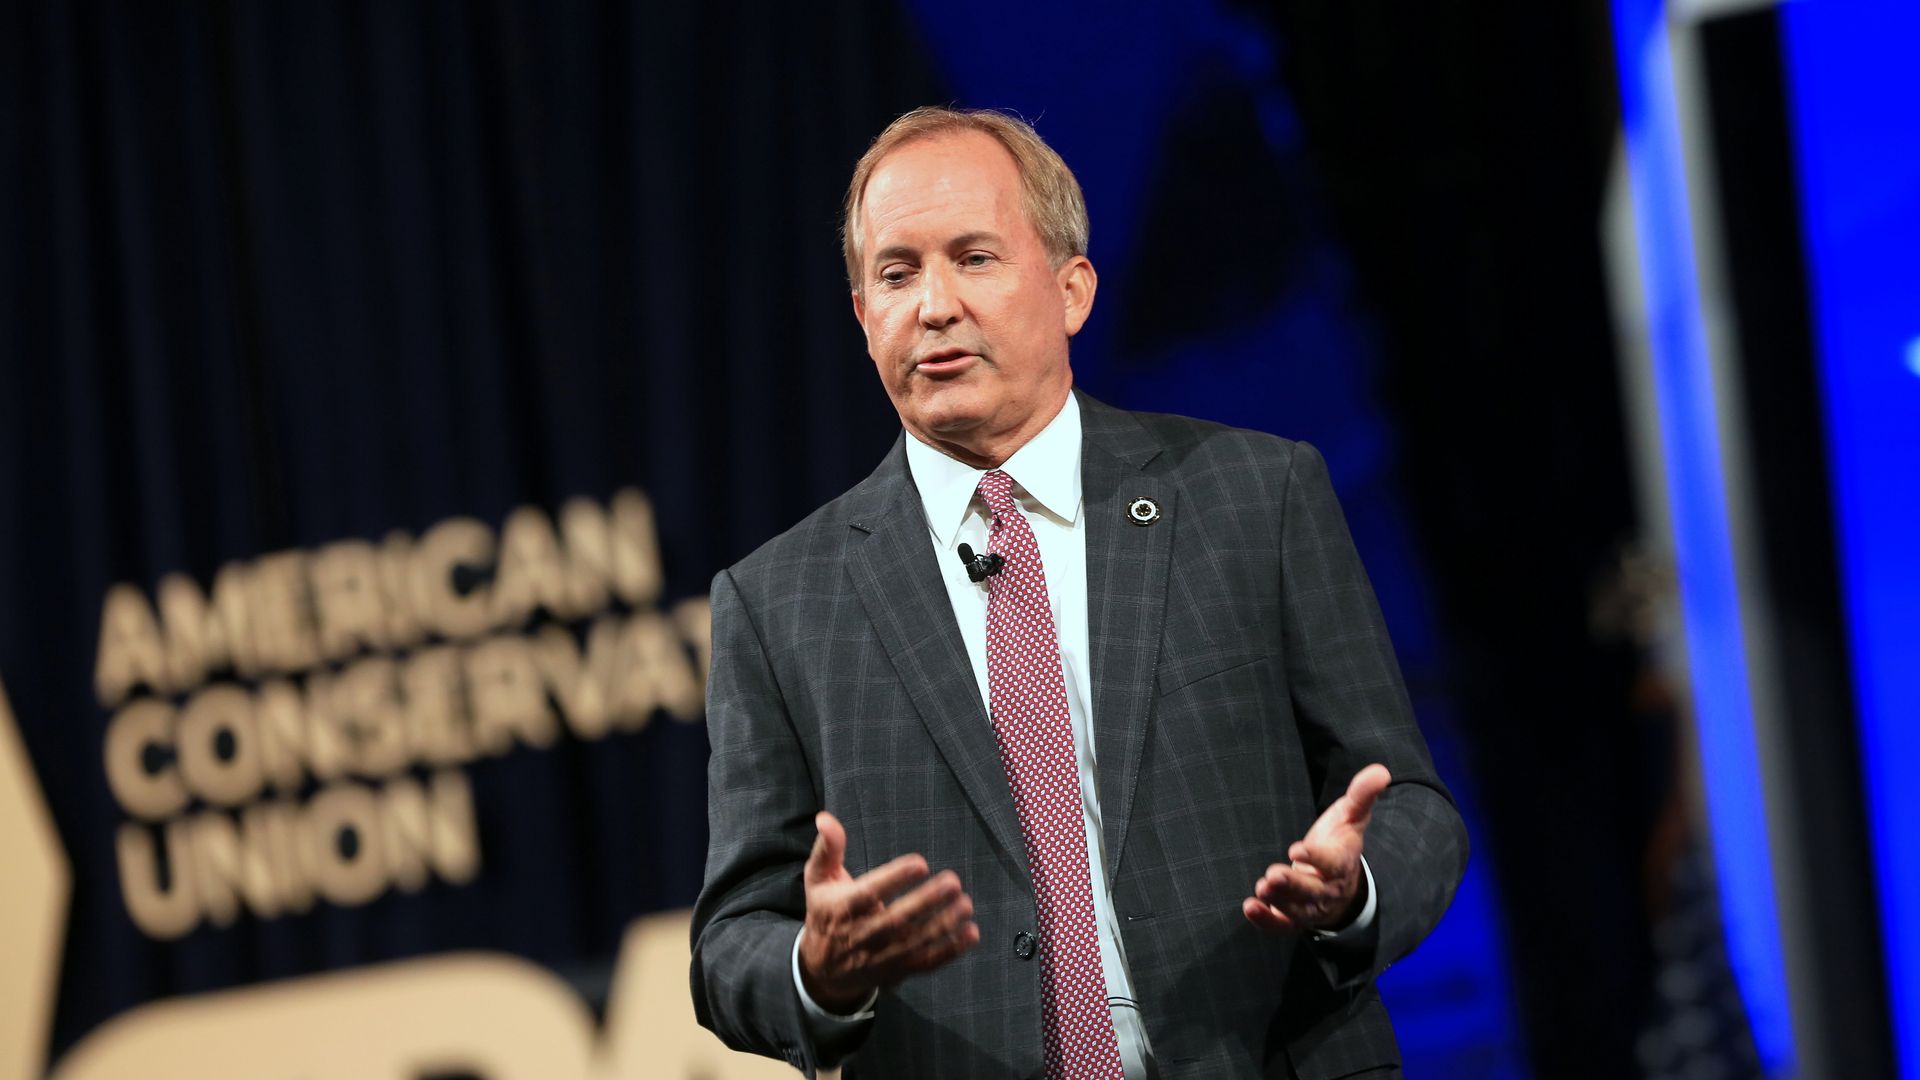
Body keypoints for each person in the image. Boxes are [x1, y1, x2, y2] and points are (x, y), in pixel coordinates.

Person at [691, 105, 1467, 1079]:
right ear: (862, 316)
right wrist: (817, 967)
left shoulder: (1253, 499)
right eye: (897, 273)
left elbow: (1412, 809)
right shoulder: (777, 604)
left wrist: (1353, 893)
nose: (933, 305)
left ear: (1072, 289)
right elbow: (729, 942)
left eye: (974, 258)